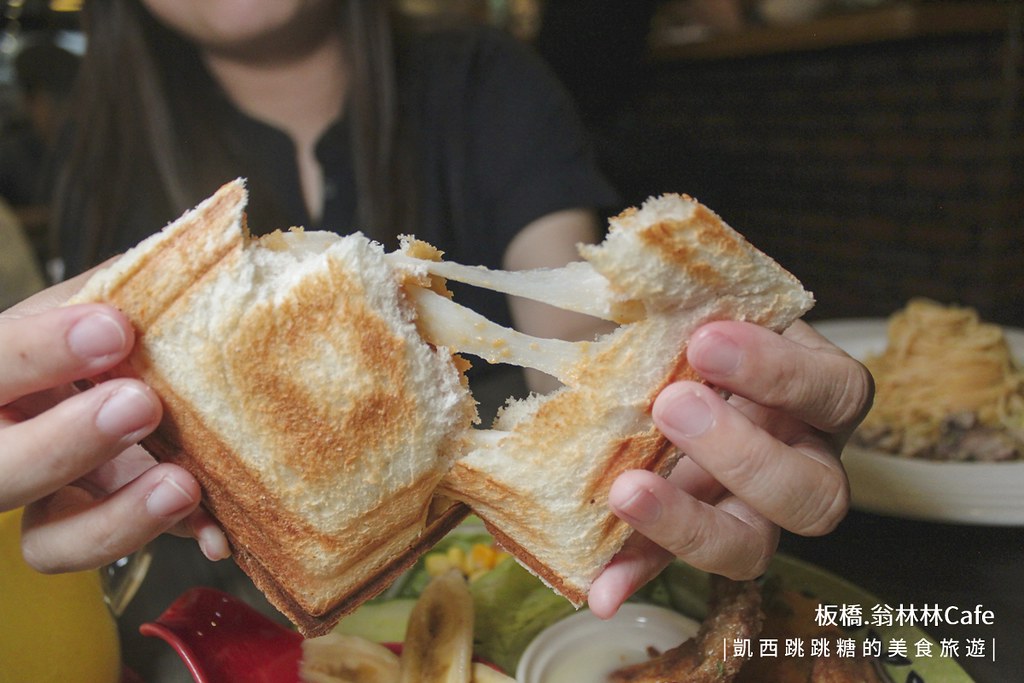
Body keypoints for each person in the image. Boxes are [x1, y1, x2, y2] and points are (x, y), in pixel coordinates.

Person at [0, 0, 873, 623]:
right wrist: (62, 464)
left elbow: (571, 329)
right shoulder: (97, 142)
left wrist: (698, 369)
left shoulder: (483, 79)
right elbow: (91, 430)